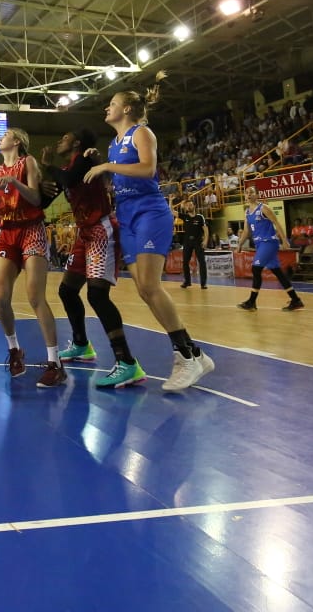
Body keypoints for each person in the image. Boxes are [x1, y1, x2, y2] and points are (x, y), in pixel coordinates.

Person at [83, 78, 214, 392]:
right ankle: (194, 353)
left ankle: (186, 356)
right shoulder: (113, 144)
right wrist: (98, 165)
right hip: (126, 213)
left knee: (151, 286)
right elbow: (119, 177)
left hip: (149, 211)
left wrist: (106, 166)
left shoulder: (141, 132)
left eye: (111, 104)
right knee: (143, 288)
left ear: (126, 109)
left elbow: (147, 169)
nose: (107, 107)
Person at [41, 128, 145, 381]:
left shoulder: (85, 158)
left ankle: (127, 362)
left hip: (101, 229)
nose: (59, 140)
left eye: (64, 137)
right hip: (84, 232)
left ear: (76, 142)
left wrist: (47, 165)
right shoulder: (70, 166)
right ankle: (81, 344)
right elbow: (51, 193)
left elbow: (68, 179)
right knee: (67, 290)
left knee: (97, 295)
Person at [0, 128, 63, 387]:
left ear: (16, 141)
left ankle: (55, 363)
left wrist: (16, 183)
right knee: (0, 298)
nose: (1, 138)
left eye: (5, 135)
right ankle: (15, 349)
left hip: (31, 230)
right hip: (7, 233)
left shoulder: (27, 162)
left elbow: (36, 198)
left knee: (35, 296)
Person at [238, 185, 305, 311]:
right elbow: (246, 231)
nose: (248, 195)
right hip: (260, 245)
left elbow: (277, 223)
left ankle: (251, 302)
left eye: (251, 192)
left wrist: (284, 240)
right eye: (246, 193)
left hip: (269, 242)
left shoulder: (263, 208)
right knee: (278, 272)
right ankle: (296, 300)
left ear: (257, 195)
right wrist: (240, 244)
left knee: (256, 268)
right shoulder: (247, 212)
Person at [178, 199, 208, 290]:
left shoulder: (200, 217)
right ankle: (187, 281)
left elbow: (206, 230)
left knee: (202, 262)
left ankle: (203, 283)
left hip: (198, 242)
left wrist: (205, 241)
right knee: (185, 262)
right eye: (187, 205)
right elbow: (172, 212)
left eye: (190, 205)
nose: (189, 206)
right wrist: (171, 201)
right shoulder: (185, 216)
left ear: (194, 206)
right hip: (187, 242)